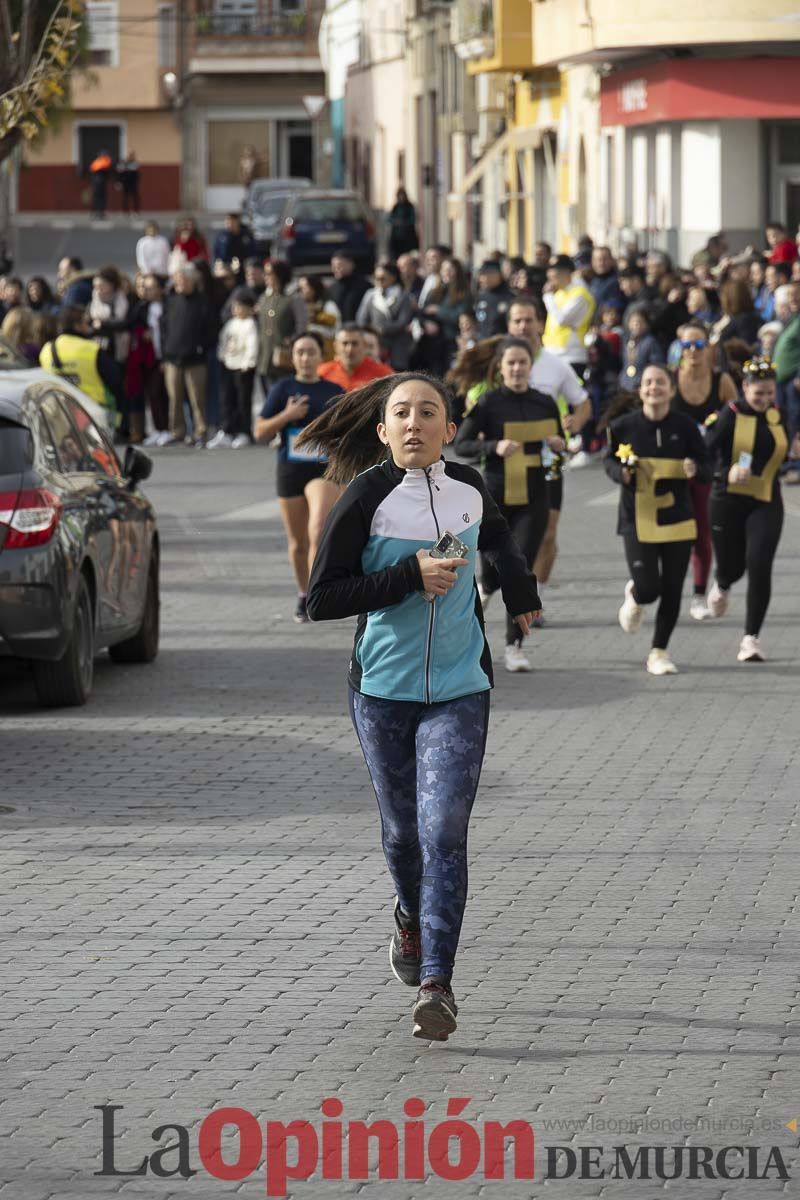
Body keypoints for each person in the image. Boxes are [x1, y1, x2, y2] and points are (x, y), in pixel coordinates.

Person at [301, 372, 540, 1040]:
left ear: (449, 429)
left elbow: (495, 538)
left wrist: (520, 594)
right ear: (383, 431)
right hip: (381, 692)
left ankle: (438, 985)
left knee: (443, 834)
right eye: (400, 413)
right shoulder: (366, 497)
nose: (413, 423)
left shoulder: (468, 486)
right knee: (404, 835)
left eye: (426, 412)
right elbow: (322, 598)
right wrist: (410, 577)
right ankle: (409, 914)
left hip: (461, 688)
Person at [454, 337, 564, 672]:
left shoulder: (545, 402)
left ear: (531, 366)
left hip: (534, 496)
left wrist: (561, 445)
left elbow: (559, 450)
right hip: (496, 497)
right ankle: (486, 586)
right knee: (493, 572)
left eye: (522, 362)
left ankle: (514, 645)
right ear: (500, 368)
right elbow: (462, 445)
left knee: (521, 567)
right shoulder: (489, 402)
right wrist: (494, 447)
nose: (517, 368)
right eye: (511, 363)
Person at [605, 364, 709, 676]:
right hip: (637, 516)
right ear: (641, 390)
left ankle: (659, 651)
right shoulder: (624, 426)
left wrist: (696, 469)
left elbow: (707, 463)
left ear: (671, 389)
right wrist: (620, 473)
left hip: (678, 517)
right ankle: (635, 596)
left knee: (674, 586)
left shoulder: (686, 426)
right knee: (650, 587)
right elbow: (609, 460)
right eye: (649, 382)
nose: (654, 388)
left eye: (661, 382)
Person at [254, 333, 345, 622]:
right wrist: (287, 414)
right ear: (292, 357)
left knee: (318, 530)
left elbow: (347, 433)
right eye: (300, 352)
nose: (305, 358)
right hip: (290, 470)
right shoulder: (283, 388)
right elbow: (260, 432)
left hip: (323, 471)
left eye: (311, 352)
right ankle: (303, 593)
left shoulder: (333, 389)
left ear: (321, 356)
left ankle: (319, 593)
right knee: (297, 543)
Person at [704, 359, 789, 661]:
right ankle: (723, 583)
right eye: (758, 394)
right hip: (727, 499)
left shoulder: (779, 416)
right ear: (745, 388)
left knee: (759, 562)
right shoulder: (730, 415)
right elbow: (705, 451)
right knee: (733, 566)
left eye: (769, 393)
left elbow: (783, 448)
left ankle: (751, 637)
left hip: (765, 499)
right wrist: (724, 471)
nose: (764, 400)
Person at [506, 299, 590, 604]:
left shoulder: (557, 364)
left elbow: (582, 402)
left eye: (529, 320)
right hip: (505, 460)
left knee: (548, 532)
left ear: (540, 324)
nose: (523, 327)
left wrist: (575, 422)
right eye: (517, 321)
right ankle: (494, 583)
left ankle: (534, 594)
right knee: (504, 529)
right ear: (509, 326)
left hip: (547, 459)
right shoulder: (498, 361)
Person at [672, 322, 738, 620]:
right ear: (680, 348)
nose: (693, 352)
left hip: (706, 467)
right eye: (687, 346)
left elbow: (741, 419)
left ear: (708, 348)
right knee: (669, 532)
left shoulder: (721, 380)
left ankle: (699, 595)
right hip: (670, 466)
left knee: (702, 533)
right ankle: (656, 584)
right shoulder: (670, 379)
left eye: (699, 345)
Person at [39, 306, 125, 428]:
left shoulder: (46, 350)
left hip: (58, 413)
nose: (88, 326)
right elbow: (115, 379)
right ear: (77, 326)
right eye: (85, 322)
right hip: (93, 414)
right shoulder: (92, 349)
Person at [160, 265, 217, 447]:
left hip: (195, 359)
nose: (179, 284)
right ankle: (177, 431)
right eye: (177, 280)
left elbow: (211, 329)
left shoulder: (202, 301)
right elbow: (164, 327)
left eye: (183, 280)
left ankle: (200, 431)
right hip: (173, 357)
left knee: (197, 398)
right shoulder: (171, 300)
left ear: (192, 281)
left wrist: (202, 347)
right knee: (174, 398)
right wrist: (165, 351)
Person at [208, 288, 259, 449]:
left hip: (243, 367)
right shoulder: (230, 323)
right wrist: (222, 356)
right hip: (228, 364)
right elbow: (223, 341)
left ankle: (244, 432)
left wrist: (249, 362)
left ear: (249, 308)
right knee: (226, 399)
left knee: (243, 400)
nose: (235, 309)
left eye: (239, 306)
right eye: (234, 306)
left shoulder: (250, 324)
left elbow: (253, 345)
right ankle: (227, 431)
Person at [542, 254, 595, 376]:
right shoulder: (560, 292)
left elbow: (562, 319)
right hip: (554, 354)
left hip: (571, 356)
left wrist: (548, 297)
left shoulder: (580, 294)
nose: (549, 276)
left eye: (552, 272)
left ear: (565, 273)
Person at [356, 261, 414, 370]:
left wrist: (382, 329)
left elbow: (403, 322)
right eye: (376, 278)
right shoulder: (370, 295)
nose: (378, 281)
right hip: (376, 343)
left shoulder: (403, 296)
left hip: (397, 345)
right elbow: (361, 319)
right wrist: (372, 332)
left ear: (393, 278)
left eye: (382, 278)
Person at [256, 259, 301, 395]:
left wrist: (292, 340)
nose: (266, 277)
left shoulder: (293, 298)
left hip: (284, 360)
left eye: (269, 274)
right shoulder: (264, 298)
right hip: (264, 358)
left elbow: (302, 326)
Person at [318, 325, 393, 391]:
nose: (350, 349)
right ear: (335, 347)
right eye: (345, 343)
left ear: (364, 345)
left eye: (355, 344)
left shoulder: (383, 374)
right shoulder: (322, 372)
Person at [428, 257, 472, 349]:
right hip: (434, 341)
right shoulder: (436, 291)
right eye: (444, 270)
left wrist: (439, 311)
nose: (446, 273)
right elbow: (425, 310)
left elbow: (459, 316)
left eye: (450, 270)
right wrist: (426, 323)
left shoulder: (464, 293)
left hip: (452, 340)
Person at [618, 307, 665, 392]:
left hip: (642, 385)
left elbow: (656, 365)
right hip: (625, 384)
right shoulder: (626, 341)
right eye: (633, 322)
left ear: (647, 324)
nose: (637, 325)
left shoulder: (651, 342)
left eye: (640, 322)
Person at [297, 274, 340, 358]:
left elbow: (335, 324)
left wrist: (316, 317)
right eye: (299, 288)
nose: (301, 291)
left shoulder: (328, 304)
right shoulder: (299, 305)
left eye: (304, 287)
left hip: (325, 351)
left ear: (313, 288)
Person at [473, 260, 514, 339]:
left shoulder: (509, 298)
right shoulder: (481, 297)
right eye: (481, 275)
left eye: (485, 275)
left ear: (497, 275)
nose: (481, 279)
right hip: (483, 343)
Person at [328, 252, 370, 323]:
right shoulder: (332, 288)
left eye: (339, 265)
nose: (336, 269)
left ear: (351, 265)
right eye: (333, 266)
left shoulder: (365, 286)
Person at [388, 187, 419, 260]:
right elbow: (390, 218)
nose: (401, 198)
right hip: (397, 236)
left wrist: (404, 222)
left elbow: (412, 219)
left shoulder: (409, 206)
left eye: (402, 196)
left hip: (408, 236)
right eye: (400, 196)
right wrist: (396, 222)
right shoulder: (396, 207)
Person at [88, 150, 113, 220]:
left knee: (100, 198)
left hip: (99, 183)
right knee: (99, 198)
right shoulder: (102, 162)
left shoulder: (97, 162)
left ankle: (99, 212)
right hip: (99, 183)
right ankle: (98, 212)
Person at [117, 150, 140, 215]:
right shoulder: (124, 164)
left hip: (133, 183)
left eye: (132, 156)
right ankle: (125, 211)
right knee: (125, 197)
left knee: (135, 197)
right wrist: (120, 182)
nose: (131, 157)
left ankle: (136, 211)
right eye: (130, 156)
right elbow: (121, 173)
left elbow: (136, 174)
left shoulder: (135, 163)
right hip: (126, 183)